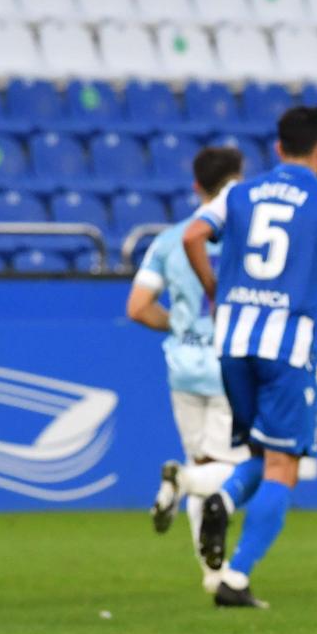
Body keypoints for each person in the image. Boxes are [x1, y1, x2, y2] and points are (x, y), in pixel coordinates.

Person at [183, 105, 317, 609]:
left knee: (258, 453)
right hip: (284, 348)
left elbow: (192, 235)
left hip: (231, 342)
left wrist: (214, 288)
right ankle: (236, 577)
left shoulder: (237, 192)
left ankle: (222, 501)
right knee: (284, 465)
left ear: (276, 148)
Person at [129, 145, 248, 588]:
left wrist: (179, 327)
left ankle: (213, 574)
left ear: (197, 186)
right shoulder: (242, 236)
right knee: (236, 470)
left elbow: (139, 306)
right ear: (236, 181)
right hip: (227, 366)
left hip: (182, 369)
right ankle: (178, 482)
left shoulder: (166, 241)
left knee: (202, 463)